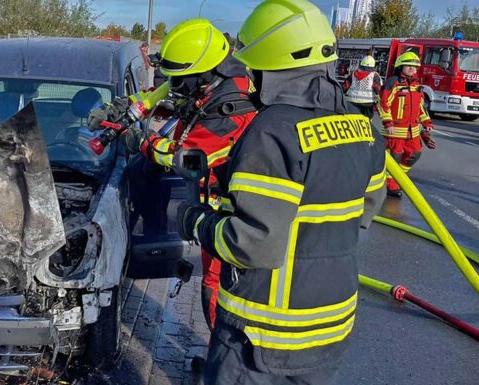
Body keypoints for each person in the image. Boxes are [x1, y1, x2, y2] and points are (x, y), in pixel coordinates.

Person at [177, 1, 386, 384]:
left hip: (262, 334)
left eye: (255, 67)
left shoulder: (271, 132)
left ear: (271, 65)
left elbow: (253, 245)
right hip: (331, 325)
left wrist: (196, 222)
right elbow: (366, 210)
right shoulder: (364, 127)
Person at [89, 18, 258, 331]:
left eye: (181, 79)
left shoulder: (230, 109)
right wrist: (120, 109)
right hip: (221, 204)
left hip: (234, 211)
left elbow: (185, 158)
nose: (175, 85)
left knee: (218, 288)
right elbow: (159, 96)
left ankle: (222, 360)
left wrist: (142, 141)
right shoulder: (209, 80)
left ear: (203, 72)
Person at [378, 51, 435, 198]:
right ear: (400, 66)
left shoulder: (417, 85)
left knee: (415, 154)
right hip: (395, 131)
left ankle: (397, 179)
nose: (412, 69)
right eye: (409, 66)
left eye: (415, 67)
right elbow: (383, 104)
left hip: (413, 131)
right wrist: (388, 122)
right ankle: (391, 186)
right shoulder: (393, 83)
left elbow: (420, 107)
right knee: (394, 158)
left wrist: (426, 122)